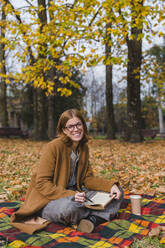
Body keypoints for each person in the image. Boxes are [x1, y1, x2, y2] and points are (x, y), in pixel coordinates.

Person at [11, 109, 123, 234]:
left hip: (77, 195)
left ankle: (92, 219)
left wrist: (110, 186)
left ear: (83, 126)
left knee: (116, 193)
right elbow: (42, 183)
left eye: (78, 124)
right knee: (71, 208)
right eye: (70, 126)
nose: (76, 129)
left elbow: (87, 179)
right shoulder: (53, 147)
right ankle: (98, 213)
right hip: (49, 200)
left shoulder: (83, 148)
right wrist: (71, 195)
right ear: (64, 130)